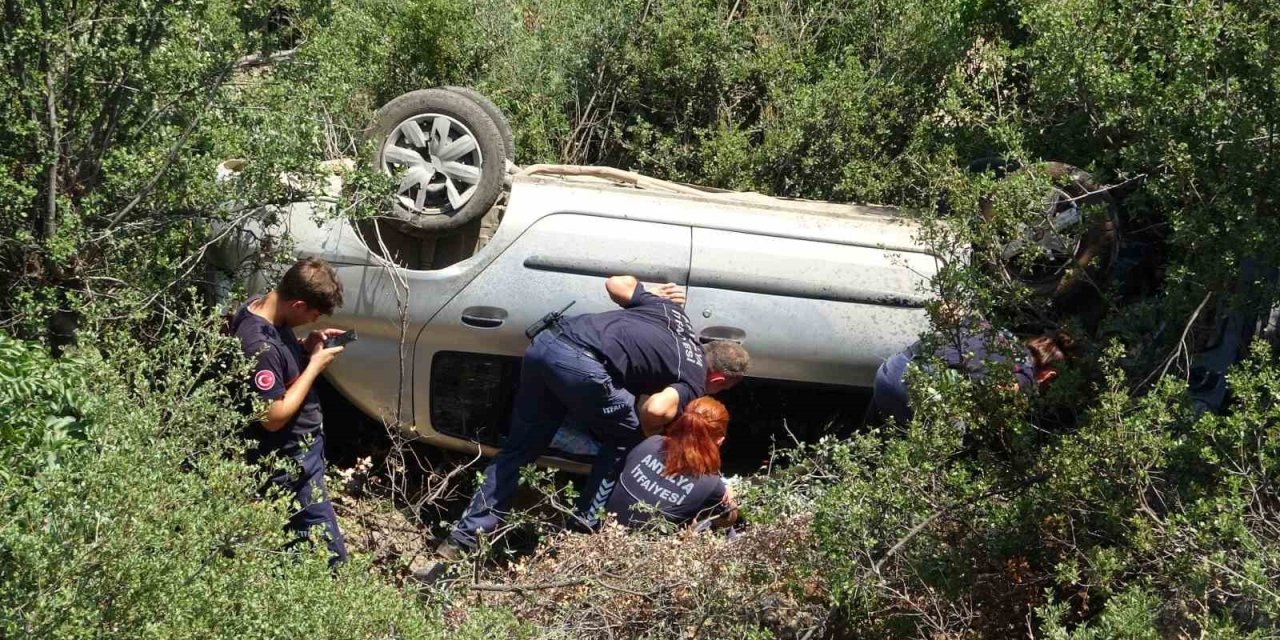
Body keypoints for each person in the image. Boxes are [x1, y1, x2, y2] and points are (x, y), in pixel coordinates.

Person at [425, 275, 750, 574]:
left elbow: (616, 283)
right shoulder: (693, 379)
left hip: (547, 343)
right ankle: (579, 539)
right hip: (582, 365)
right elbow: (656, 407)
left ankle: (462, 541)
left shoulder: (672, 313)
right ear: (718, 379)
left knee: (519, 450)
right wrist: (648, 434)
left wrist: (651, 290)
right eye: (718, 389)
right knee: (626, 438)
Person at [230, 256, 350, 567]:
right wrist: (314, 367)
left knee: (300, 544)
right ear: (297, 304)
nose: (314, 320)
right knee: (327, 555)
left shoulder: (264, 309)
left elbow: (279, 360)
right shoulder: (260, 345)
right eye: (313, 314)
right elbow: (271, 416)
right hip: (289, 459)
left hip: (302, 454)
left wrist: (302, 346)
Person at [871, 321, 1073, 424]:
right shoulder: (1025, 375)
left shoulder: (996, 330)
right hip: (912, 392)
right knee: (961, 436)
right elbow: (998, 393)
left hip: (890, 370)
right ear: (1048, 374)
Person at [606, 396, 739, 529]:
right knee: (720, 526)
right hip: (652, 547)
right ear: (719, 441)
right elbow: (727, 521)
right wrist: (730, 495)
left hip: (608, 529)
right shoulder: (710, 483)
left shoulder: (652, 442)